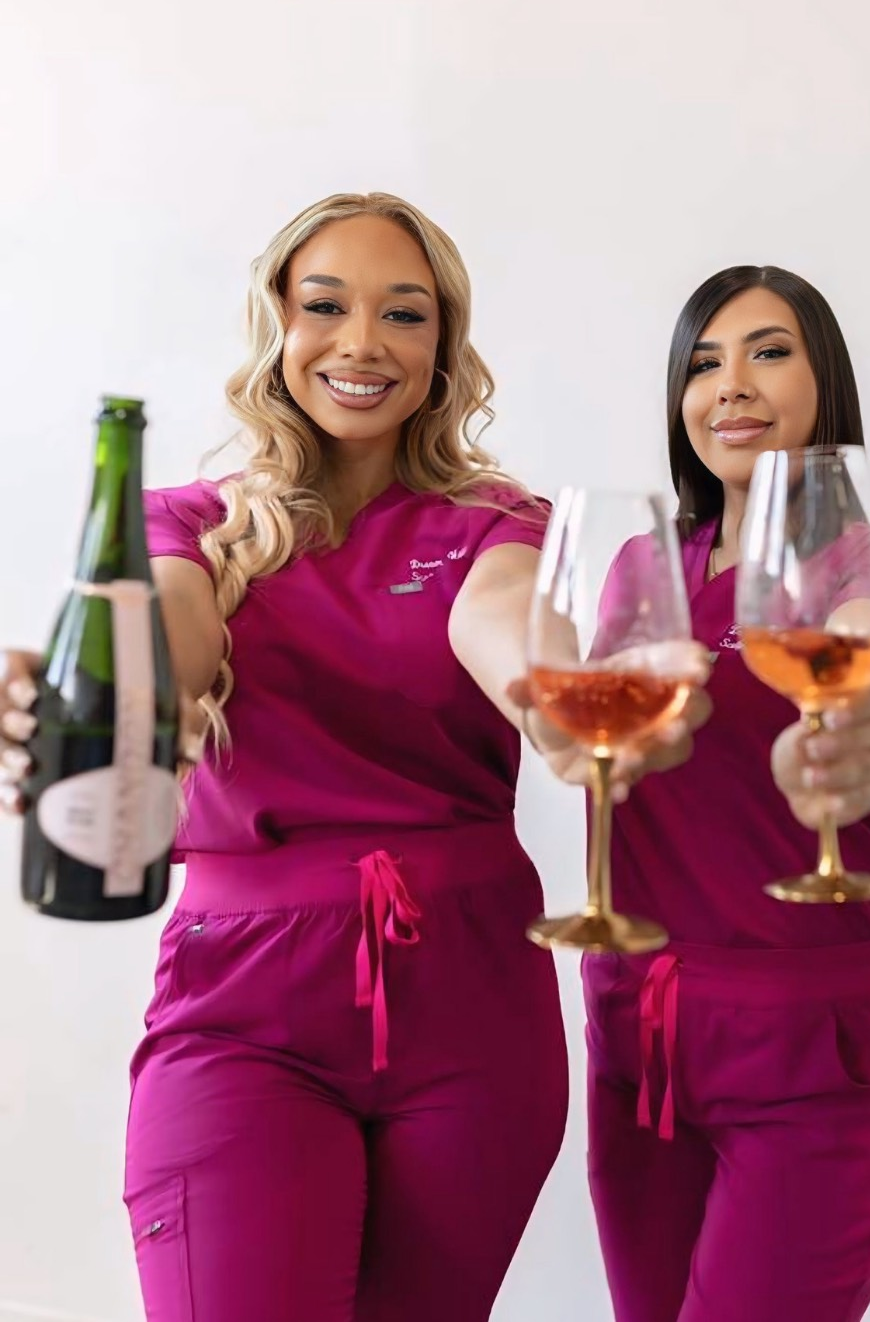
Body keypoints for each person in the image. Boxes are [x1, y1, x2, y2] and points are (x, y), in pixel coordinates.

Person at [0, 192, 709, 1322]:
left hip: (474, 1009)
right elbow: (169, 647)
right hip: (237, 1012)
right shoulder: (188, 525)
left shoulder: (491, 523)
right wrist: (108, 693)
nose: (363, 343)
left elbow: (512, 621)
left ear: (444, 348)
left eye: (405, 315)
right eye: (325, 305)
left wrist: (569, 711)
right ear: (276, 324)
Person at [578, 266, 870, 1322]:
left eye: (767, 352)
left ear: (824, 378)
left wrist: (854, 725)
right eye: (703, 364)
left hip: (819, 1040)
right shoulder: (641, 567)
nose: (730, 385)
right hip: (640, 1033)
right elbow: (604, 753)